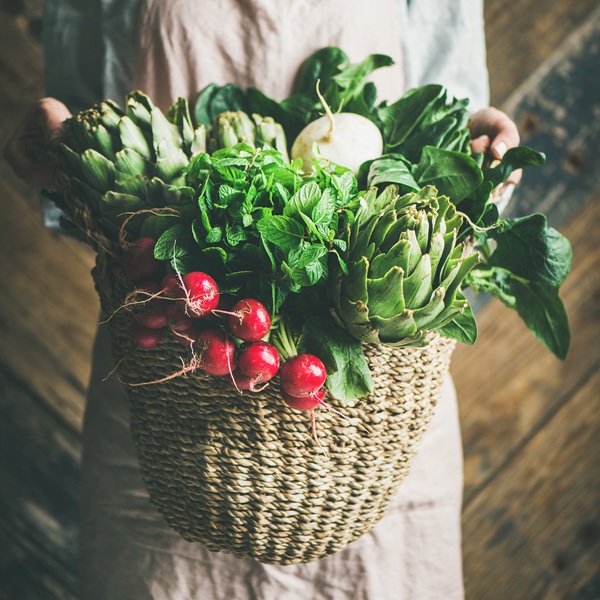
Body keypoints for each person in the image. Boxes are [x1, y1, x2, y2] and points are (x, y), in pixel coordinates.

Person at [4, 1, 521, 598]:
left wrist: (481, 156)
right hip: (174, 358)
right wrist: (59, 154)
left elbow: (455, 106)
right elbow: (84, 127)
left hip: (374, 398)